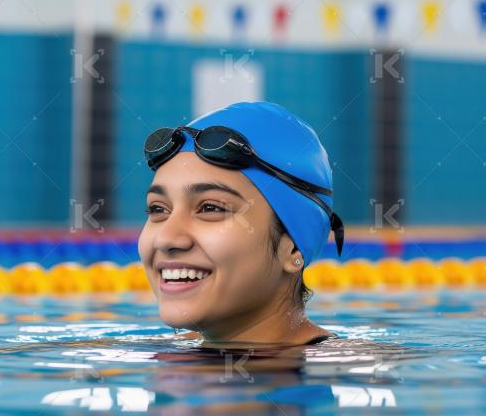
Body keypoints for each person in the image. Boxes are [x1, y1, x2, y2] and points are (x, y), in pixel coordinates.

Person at [138, 101, 344, 346]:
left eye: (210, 208)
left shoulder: (345, 368)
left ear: (293, 249)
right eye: (158, 209)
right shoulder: (149, 351)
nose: (166, 238)